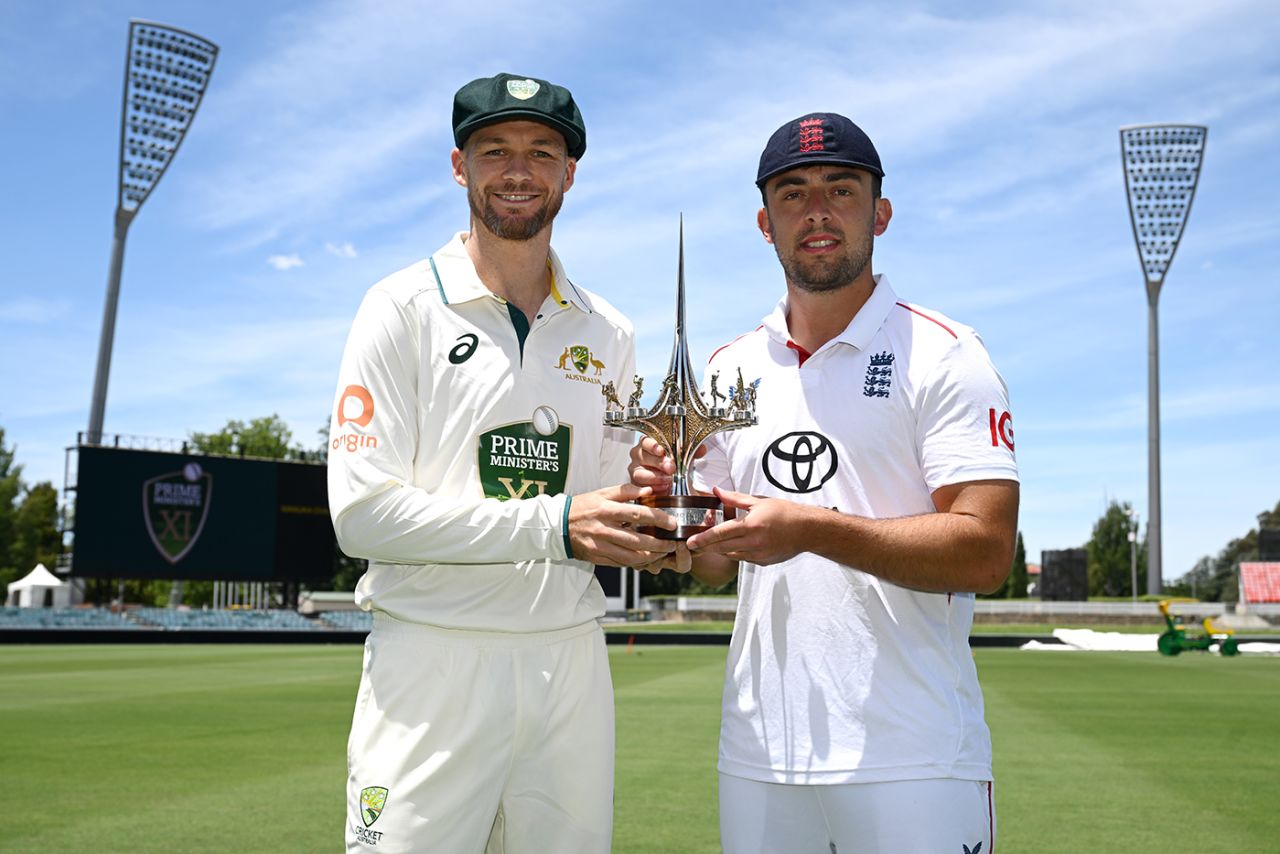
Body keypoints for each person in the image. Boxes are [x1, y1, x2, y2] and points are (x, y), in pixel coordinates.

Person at [631, 112, 1020, 853]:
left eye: (841, 190)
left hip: (912, 757)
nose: (816, 210)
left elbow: (985, 550)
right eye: (793, 193)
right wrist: (666, 513)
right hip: (760, 754)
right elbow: (713, 563)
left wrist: (810, 529)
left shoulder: (944, 354)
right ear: (764, 222)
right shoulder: (727, 367)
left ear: (881, 212)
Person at [327, 72, 676, 854]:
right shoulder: (400, 306)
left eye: (541, 153)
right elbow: (361, 513)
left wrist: (653, 493)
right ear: (461, 167)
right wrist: (555, 523)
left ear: (569, 174)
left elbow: (609, 502)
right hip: (432, 656)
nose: (518, 171)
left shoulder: (608, 329)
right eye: (496, 151)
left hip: (568, 660)